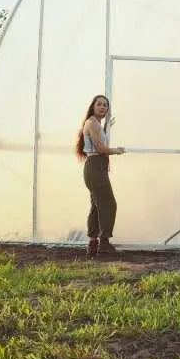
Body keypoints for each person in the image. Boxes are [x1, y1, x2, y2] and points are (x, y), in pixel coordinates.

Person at [75, 95, 126, 257]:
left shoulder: (96, 124)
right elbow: (101, 149)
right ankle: (103, 243)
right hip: (95, 168)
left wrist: (105, 128)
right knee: (109, 204)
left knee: (97, 206)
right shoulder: (92, 123)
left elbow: (97, 142)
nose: (103, 107)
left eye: (105, 105)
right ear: (93, 106)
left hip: (97, 168)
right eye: (99, 104)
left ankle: (93, 244)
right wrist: (117, 151)